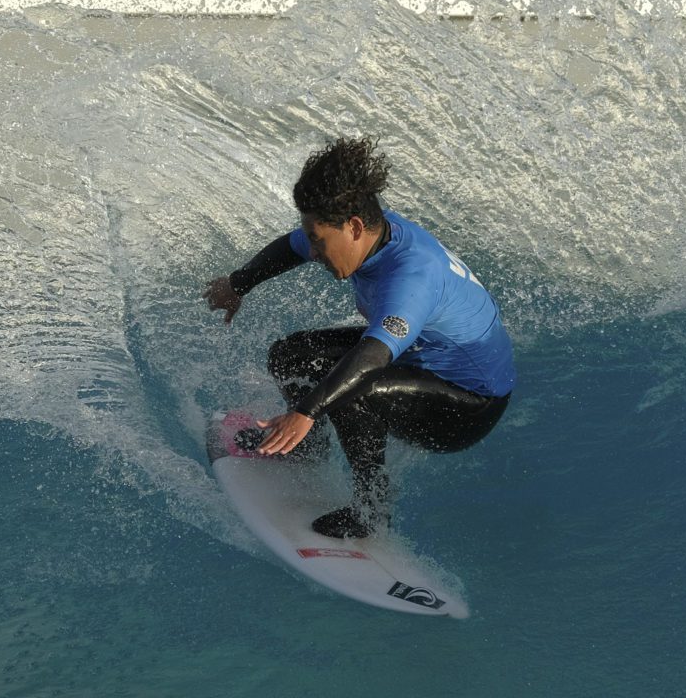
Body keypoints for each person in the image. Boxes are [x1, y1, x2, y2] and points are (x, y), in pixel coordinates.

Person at [205, 137, 515, 539]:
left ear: (353, 226)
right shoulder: (367, 233)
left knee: (354, 389)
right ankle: (304, 447)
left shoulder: (411, 275)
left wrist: (307, 409)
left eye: (319, 240)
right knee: (292, 356)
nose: (313, 252)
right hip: (420, 357)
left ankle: (372, 511)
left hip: (468, 405)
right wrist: (238, 284)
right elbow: (290, 247)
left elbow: (371, 357)